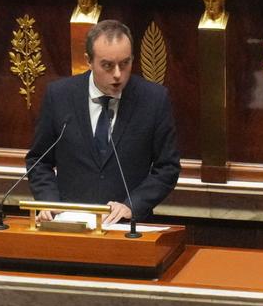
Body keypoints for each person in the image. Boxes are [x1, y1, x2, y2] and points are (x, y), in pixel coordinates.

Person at [25, 19, 181, 226]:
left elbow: (167, 167)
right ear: (89, 60)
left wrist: (131, 205)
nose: (117, 74)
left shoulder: (153, 99)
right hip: (68, 223)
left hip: (126, 227)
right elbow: (39, 161)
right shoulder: (60, 96)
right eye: (107, 65)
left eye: (125, 64)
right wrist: (49, 201)